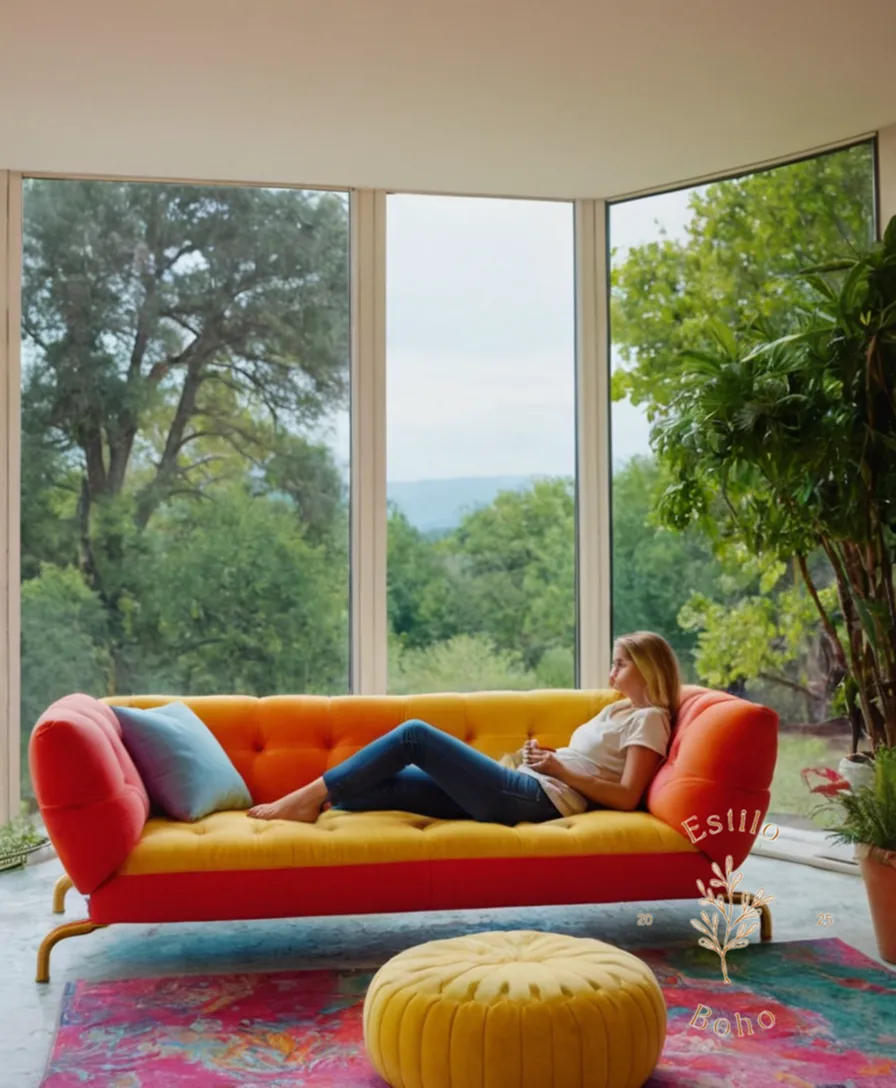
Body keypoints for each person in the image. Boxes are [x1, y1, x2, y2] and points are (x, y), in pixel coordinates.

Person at [247, 631, 681, 826]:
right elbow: (591, 763)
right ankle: (316, 805)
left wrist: (559, 771)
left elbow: (626, 797)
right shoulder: (618, 712)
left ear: (648, 669)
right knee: (369, 789)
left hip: (538, 800)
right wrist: (547, 759)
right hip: (529, 784)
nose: (611, 673)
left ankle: (302, 799)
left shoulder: (651, 718)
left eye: (620, 664)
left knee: (414, 735)